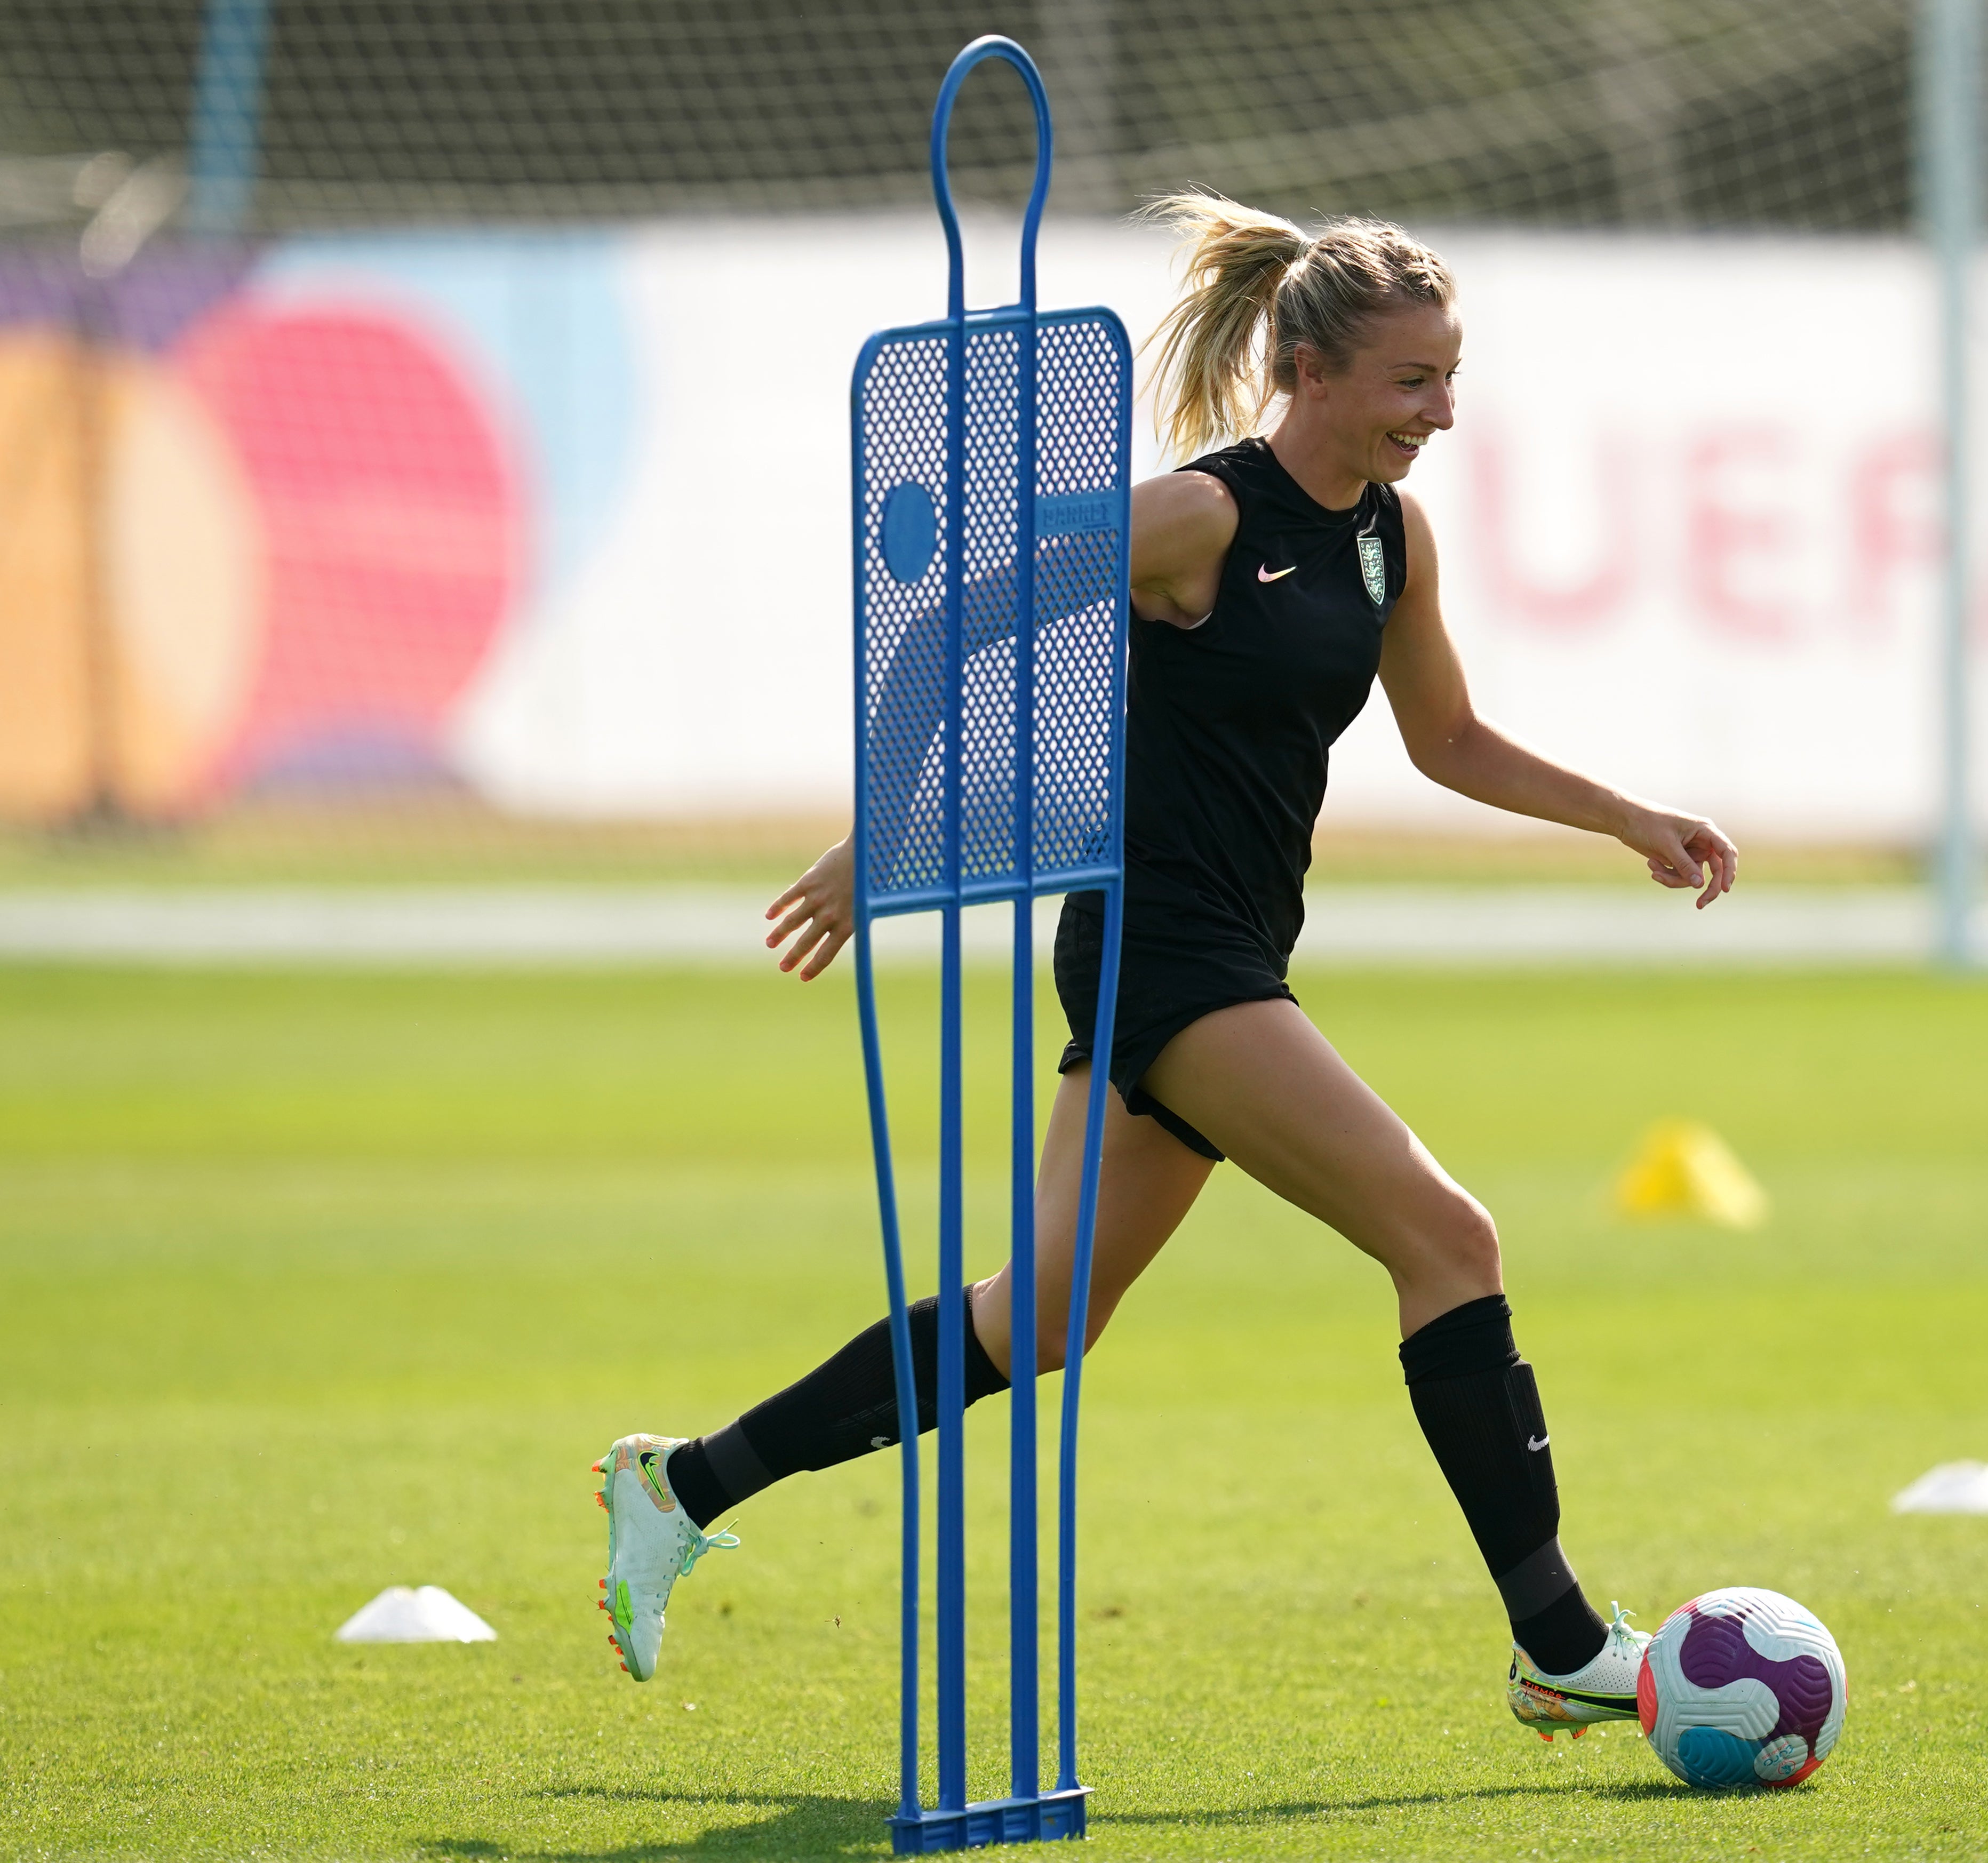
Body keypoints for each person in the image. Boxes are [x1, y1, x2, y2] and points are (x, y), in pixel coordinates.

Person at [594, 193, 1738, 1743]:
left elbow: (1448, 738)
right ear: (1309, 369)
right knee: (1447, 1240)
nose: (1441, 412)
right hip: (1163, 954)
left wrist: (1628, 820)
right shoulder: (1199, 518)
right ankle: (1554, 1639)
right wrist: (887, 841)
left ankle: (683, 1483)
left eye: (1450, 378)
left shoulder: (1391, 537)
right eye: (1412, 381)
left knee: (1041, 1321)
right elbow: (946, 626)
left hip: (1231, 946)